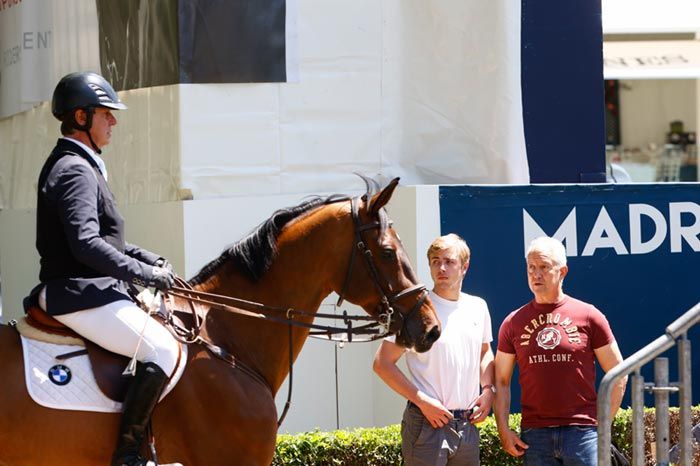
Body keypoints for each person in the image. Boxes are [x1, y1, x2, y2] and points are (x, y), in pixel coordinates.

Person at [24, 71, 182, 466]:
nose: (114, 121)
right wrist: (143, 275)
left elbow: (107, 241)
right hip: (78, 293)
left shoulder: (79, 164)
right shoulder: (75, 169)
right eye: (105, 113)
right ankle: (127, 455)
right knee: (162, 349)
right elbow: (85, 244)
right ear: (81, 117)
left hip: (88, 288)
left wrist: (148, 259)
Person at [494, 236, 627, 466]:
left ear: (563, 271)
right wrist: (504, 429)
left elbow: (619, 372)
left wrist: (602, 424)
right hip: (535, 436)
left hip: (582, 434)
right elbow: (501, 379)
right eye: (531, 267)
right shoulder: (513, 322)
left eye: (544, 267)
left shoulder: (589, 316)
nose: (536, 274)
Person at [373, 233, 495, 466]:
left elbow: (484, 352)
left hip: (467, 425)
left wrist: (488, 390)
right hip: (427, 423)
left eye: (449, 261)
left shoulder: (478, 307)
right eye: (435, 261)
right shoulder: (415, 310)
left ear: (464, 267)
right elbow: (382, 364)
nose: (441, 267)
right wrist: (422, 402)